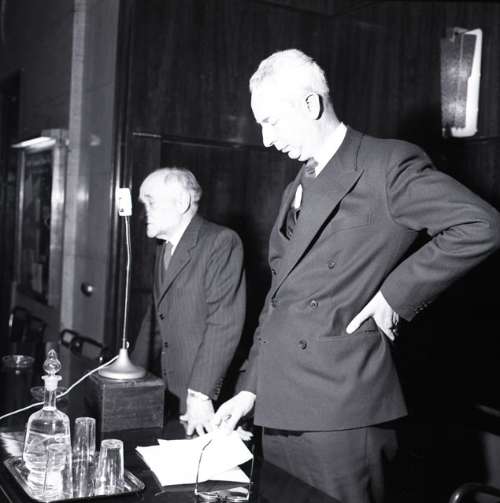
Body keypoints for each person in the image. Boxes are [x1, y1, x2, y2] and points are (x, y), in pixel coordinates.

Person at [212, 49, 500, 503]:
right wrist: (249, 390)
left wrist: (394, 295)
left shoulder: (386, 165)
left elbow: (481, 225)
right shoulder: (296, 186)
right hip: (278, 408)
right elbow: (280, 300)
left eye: (272, 122)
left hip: (341, 415)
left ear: (311, 104)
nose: (266, 140)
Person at [132, 167, 246, 436]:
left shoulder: (220, 241)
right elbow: (157, 316)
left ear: (182, 202)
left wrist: (200, 393)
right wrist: (132, 376)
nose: (143, 212)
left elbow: (224, 322)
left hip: (204, 393)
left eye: (151, 203)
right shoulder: (165, 247)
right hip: (170, 387)